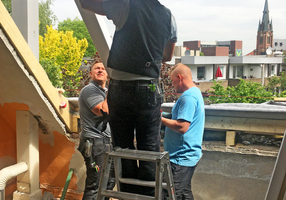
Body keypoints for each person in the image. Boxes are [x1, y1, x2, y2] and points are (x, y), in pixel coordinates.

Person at [79, 0, 177, 196]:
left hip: (122, 88)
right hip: (149, 89)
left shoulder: (126, 5)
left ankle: (129, 196)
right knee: (149, 150)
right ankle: (147, 196)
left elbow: (86, 3)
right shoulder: (168, 16)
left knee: (123, 148)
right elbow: (167, 55)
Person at [162, 63, 205, 200]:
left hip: (181, 157)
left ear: (179, 77)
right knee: (185, 194)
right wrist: (166, 117)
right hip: (186, 155)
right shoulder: (195, 92)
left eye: (173, 80)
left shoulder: (188, 97)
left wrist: (159, 119)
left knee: (171, 195)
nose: (172, 84)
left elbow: (182, 127)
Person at [78, 60, 115, 200]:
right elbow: (103, 111)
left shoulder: (104, 91)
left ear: (107, 74)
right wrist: (112, 89)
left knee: (110, 180)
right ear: (90, 73)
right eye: (96, 68)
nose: (100, 70)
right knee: (96, 184)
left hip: (105, 143)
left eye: (103, 69)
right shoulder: (90, 90)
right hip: (94, 143)